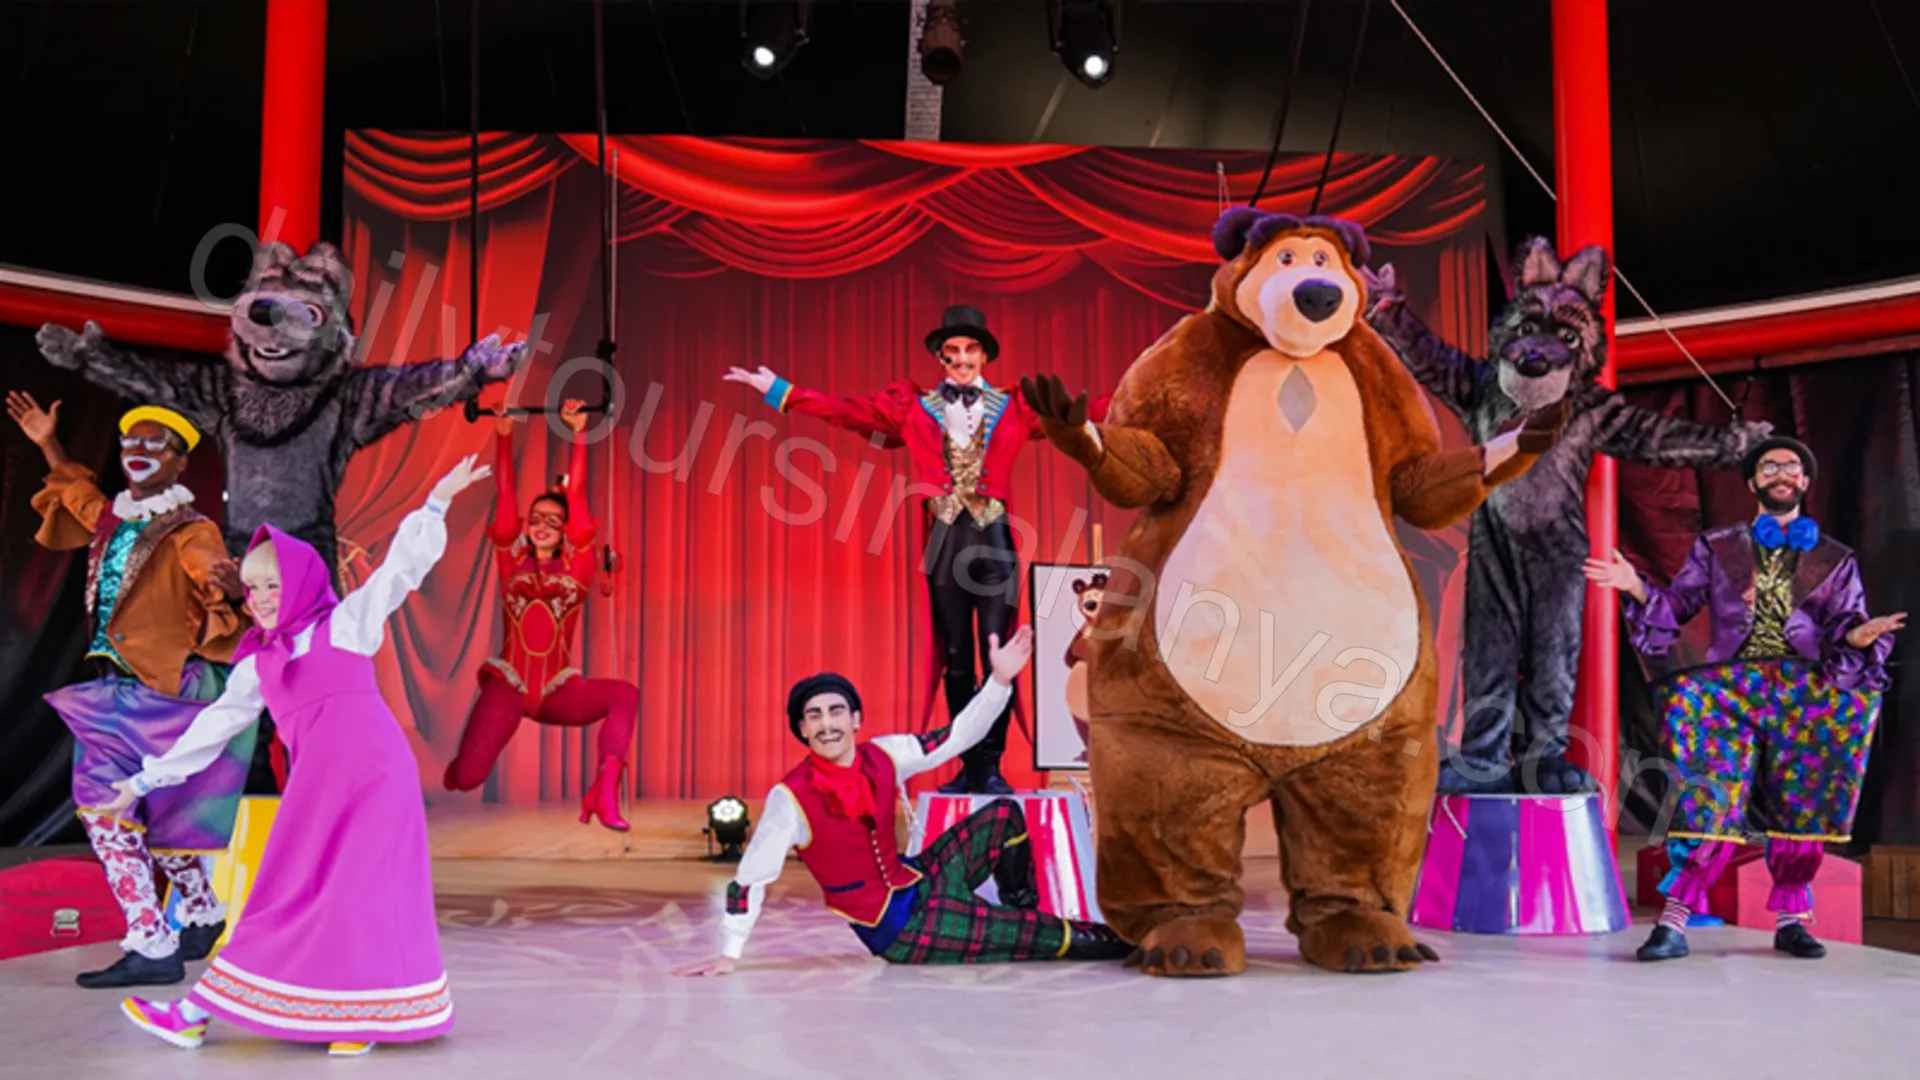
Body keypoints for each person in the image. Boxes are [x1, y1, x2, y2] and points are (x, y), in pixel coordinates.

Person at [105, 455, 492, 1056]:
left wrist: (436, 502)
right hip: (316, 793)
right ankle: (196, 1013)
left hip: (375, 785)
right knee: (281, 898)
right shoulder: (259, 663)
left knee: (361, 897)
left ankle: (359, 1018)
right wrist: (143, 781)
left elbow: (400, 571)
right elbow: (214, 727)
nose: (260, 599)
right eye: (252, 587)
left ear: (303, 582)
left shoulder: (345, 625)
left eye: (273, 585)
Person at [724, 305, 1107, 795]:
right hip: (944, 542)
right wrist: (783, 391)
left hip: (994, 542)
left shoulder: (1015, 405)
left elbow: (1081, 412)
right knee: (957, 658)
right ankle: (967, 764)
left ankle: (990, 765)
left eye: (970, 350)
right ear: (940, 358)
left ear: (984, 356)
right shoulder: (914, 407)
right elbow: (847, 412)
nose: (962, 359)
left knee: (998, 653)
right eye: (952, 351)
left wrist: (1151, 394)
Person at [1586, 436, 1903, 962]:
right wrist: (1634, 586)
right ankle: (1674, 922)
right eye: (1770, 466)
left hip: (1804, 690)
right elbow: (1678, 604)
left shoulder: (1834, 558)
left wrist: (1858, 636)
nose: (1782, 473)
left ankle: (1791, 922)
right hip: (1731, 690)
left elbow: (1845, 624)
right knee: (1707, 798)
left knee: (1802, 803)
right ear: (1753, 482)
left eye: (1792, 466)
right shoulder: (1718, 546)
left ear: (1805, 482)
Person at [674, 625, 1131, 975]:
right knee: (1040, 936)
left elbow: (957, 737)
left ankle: (1020, 906)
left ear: (856, 719)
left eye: (835, 712)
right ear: (802, 730)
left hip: (919, 879)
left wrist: (997, 681)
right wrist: (730, 952)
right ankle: (1119, 941)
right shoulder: (790, 798)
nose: (826, 724)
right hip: (899, 930)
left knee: (1003, 816)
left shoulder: (885, 754)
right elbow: (751, 877)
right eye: (813, 717)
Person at [9, 391, 251, 989]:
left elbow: (210, 573)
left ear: (179, 461)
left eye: (154, 444)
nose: (137, 450)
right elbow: (77, 494)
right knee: (153, 813)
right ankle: (201, 913)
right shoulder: (114, 518)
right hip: (120, 691)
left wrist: (229, 588)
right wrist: (48, 443)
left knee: (107, 807)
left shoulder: (191, 530)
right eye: (129, 441)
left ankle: (151, 941)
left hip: (163, 692)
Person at [441, 399, 641, 831]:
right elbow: (506, 501)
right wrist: (504, 437)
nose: (542, 524)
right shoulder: (510, 560)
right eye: (535, 518)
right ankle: (459, 768)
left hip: (555, 691)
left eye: (553, 519)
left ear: (567, 528)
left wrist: (579, 433)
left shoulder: (579, 566)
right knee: (467, 777)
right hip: (508, 687)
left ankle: (603, 792)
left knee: (624, 694)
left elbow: (579, 499)